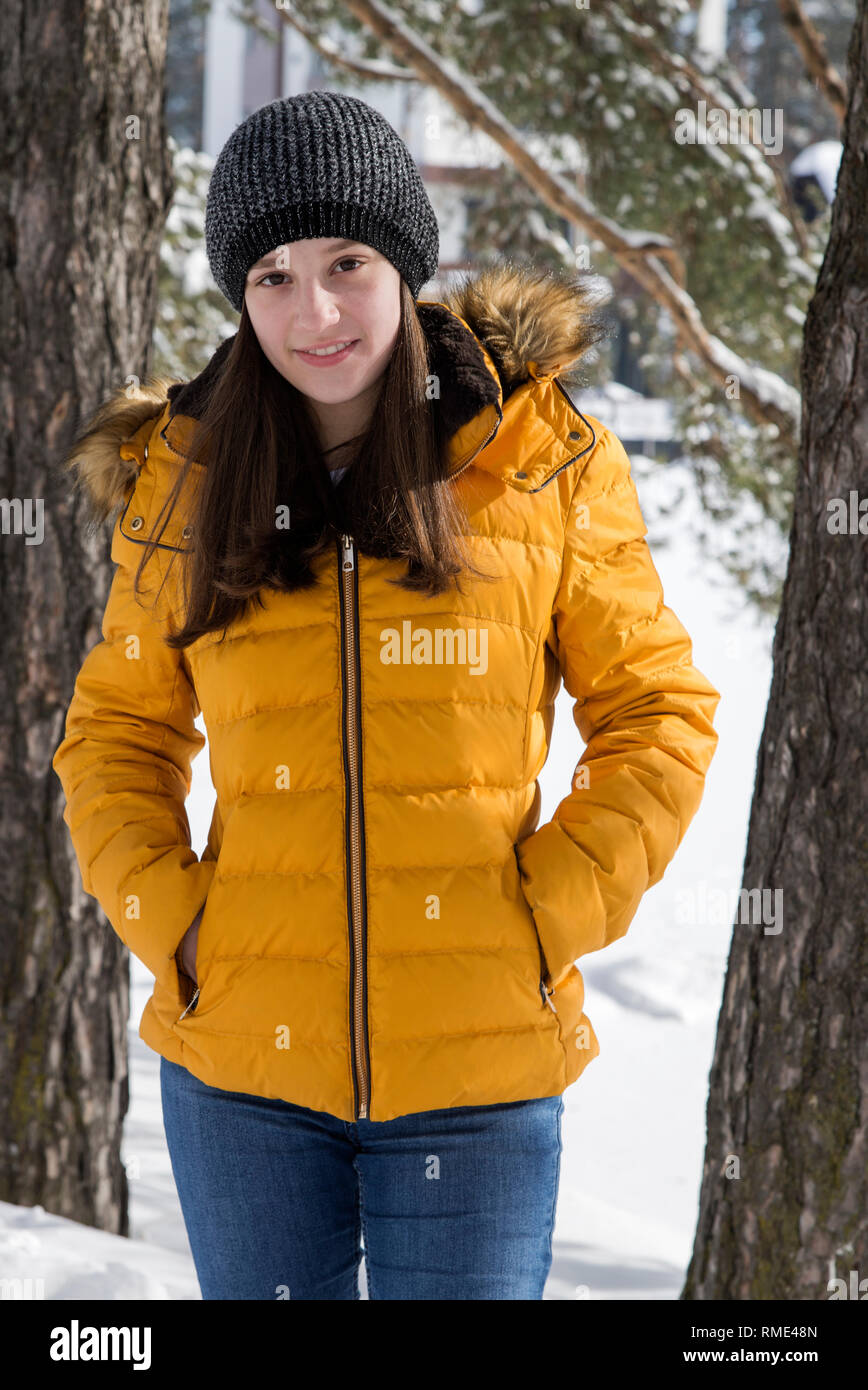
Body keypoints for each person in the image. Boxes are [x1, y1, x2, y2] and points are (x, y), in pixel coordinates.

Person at [52, 91, 721, 1300]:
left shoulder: (535, 455)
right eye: (270, 273)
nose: (313, 310)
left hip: (476, 1085)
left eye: (347, 262)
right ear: (238, 295)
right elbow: (117, 733)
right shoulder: (184, 479)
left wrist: (544, 918)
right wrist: (182, 927)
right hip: (243, 1076)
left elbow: (657, 711)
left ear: (404, 262)